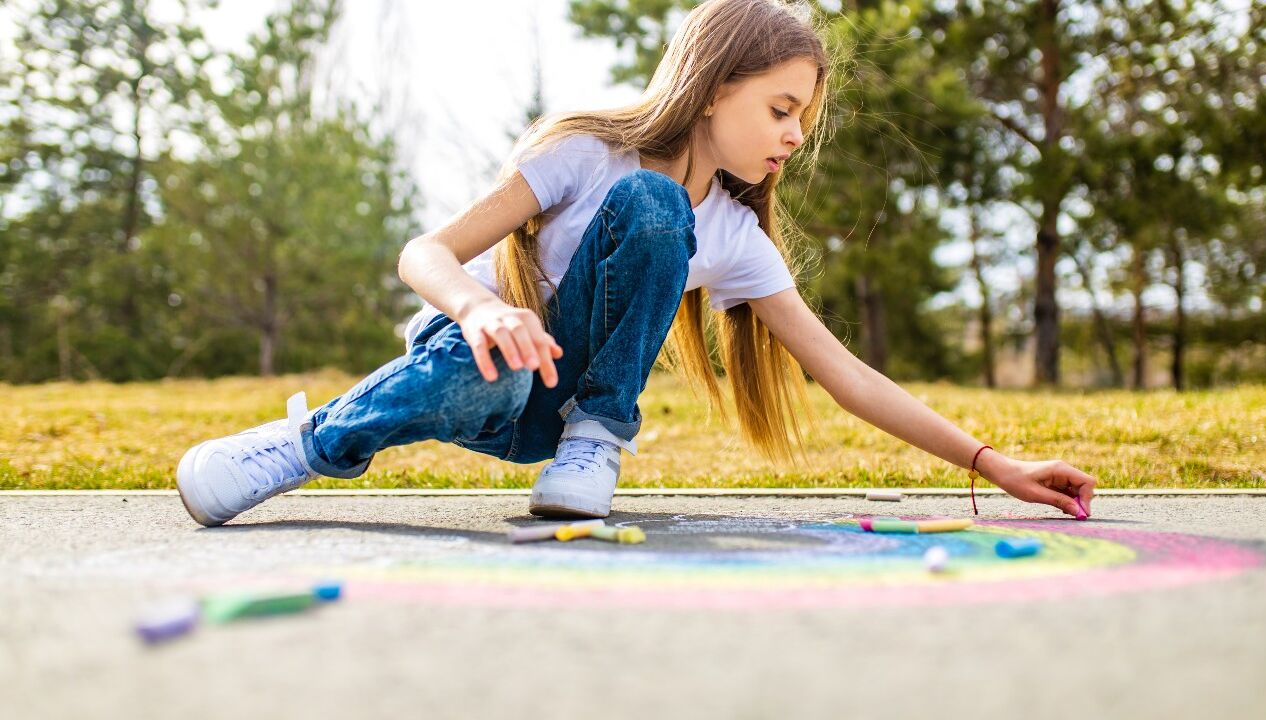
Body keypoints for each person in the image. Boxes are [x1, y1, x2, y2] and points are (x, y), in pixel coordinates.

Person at [177, 0, 1097, 528]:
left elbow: (845, 374)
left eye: (803, 120)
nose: (793, 136)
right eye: (780, 109)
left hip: (550, 419)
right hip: (471, 366)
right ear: (713, 87)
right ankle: (308, 443)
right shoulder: (585, 151)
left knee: (662, 219)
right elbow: (427, 251)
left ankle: (595, 435)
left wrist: (993, 462)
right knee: (645, 211)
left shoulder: (735, 237)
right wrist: (476, 307)